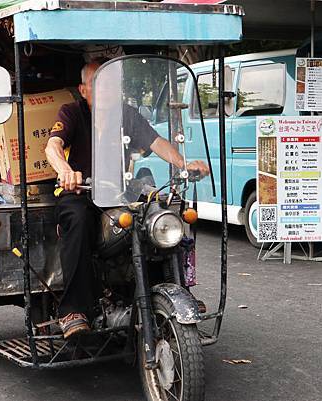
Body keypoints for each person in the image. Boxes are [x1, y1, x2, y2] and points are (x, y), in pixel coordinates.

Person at [45, 60, 209, 339]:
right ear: (84, 89)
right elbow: (53, 146)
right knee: (79, 220)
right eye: (99, 83)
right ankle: (72, 310)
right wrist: (65, 171)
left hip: (117, 192)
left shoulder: (127, 115)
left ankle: (173, 289)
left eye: (111, 82)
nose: (107, 89)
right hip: (80, 192)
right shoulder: (72, 112)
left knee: (159, 213)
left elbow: (156, 141)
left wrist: (183, 164)